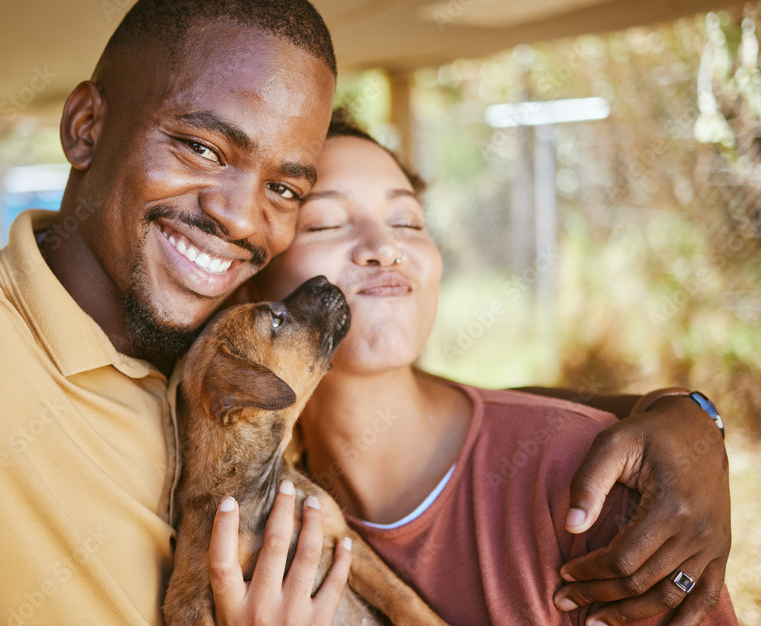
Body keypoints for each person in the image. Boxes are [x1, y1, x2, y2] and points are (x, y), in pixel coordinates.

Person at [0, 0, 730, 625]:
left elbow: (461, 417)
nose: (236, 214)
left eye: (281, 185)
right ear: (87, 125)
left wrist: (684, 416)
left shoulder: (232, 382)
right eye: (199, 145)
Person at [228, 109, 736, 625]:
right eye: (325, 223)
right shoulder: (258, 530)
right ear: (249, 283)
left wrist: (695, 415)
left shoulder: (587, 483)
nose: (386, 248)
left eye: (407, 222)